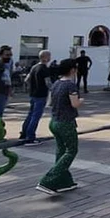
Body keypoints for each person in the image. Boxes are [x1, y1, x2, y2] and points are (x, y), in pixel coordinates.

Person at [36, 59, 83, 195]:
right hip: (66, 122)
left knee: (61, 150)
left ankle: (64, 181)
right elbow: (75, 104)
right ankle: (48, 180)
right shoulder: (71, 85)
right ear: (72, 70)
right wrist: (81, 100)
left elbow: (49, 102)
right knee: (71, 151)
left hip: (54, 121)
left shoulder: (56, 83)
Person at [21, 50, 53, 145]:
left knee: (30, 114)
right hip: (41, 94)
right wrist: (54, 90)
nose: (50, 58)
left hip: (33, 94)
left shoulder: (34, 67)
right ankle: (30, 137)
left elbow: (26, 80)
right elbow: (48, 83)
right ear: (45, 57)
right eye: (49, 56)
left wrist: (31, 87)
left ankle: (24, 133)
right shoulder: (44, 69)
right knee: (36, 116)